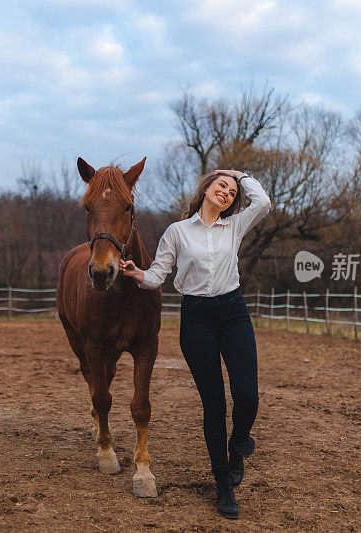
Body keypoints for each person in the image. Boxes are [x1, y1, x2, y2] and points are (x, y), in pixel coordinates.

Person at [118, 169, 271, 519]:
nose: (228, 193)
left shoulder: (235, 226)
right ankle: (223, 485)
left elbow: (263, 202)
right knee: (214, 406)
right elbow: (158, 275)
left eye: (232, 192)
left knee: (248, 396)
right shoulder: (177, 232)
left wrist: (239, 175)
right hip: (197, 319)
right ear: (206, 189)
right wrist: (137, 273)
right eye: (222, 186)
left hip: (233, 312)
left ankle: (238, 443)